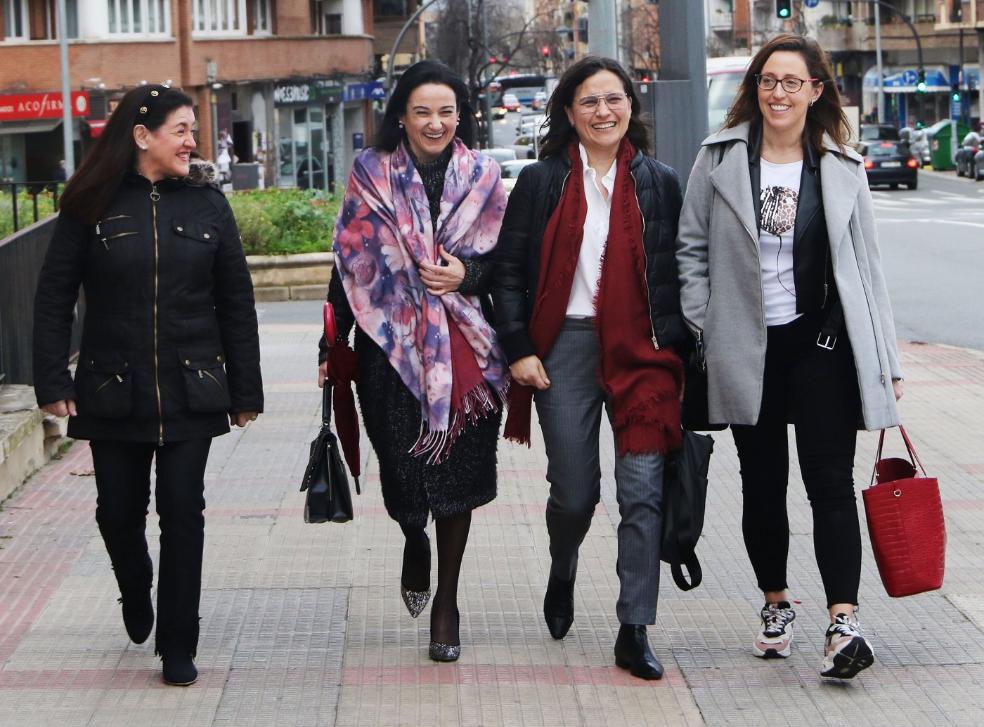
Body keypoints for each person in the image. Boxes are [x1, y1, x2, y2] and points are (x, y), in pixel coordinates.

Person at [676, 34, 904, 679]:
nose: (779, 93)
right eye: (769, 81)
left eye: (792, 82)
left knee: (830, 483)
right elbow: (690, 249)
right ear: (756, 88)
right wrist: (708, 321)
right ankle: (775, 602)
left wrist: (884, 359)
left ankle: (842, 621)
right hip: (745, 345)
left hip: (821, 346)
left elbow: (866, 269)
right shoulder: (719, 159)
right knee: (762, 483)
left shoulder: (840, 165)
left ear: (816, 90)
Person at [32, 84, 263, 686]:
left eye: (193, 129)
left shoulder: (209, 205)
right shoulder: (90, 204)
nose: (193, 141)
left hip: (193, 386)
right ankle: (136, 589)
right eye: (181, 129)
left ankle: (178, 642)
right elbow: (54, 297)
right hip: (113, 387)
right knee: (117, 512)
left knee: (184, 510)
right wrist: (51, 379)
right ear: (143, 136)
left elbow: (236, 302)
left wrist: (246, 391)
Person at [491, 56, 689, 680]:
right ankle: (563, 565)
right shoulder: (541, 181)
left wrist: (680, 348)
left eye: (614, 98)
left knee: (642, 494)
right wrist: (519, 347)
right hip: (565, 347)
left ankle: (635, 627)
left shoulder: (660, 182)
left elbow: (679, 276)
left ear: (631, 105)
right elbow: (509, 272)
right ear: (569, 114)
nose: (604, 111)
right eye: (589, 102)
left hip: (643, 353)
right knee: (575, 493)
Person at [319, 60, 508, 662]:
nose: (435, 122)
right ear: (400, 114)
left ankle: (446, 605)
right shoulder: (369, 174)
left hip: (467, 351)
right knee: (403, 476)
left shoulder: (484, 175)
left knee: (458, 478)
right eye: (422, 111)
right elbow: (348, 263)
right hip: (387, 350)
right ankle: (410, 534)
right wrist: (335, 343)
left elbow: (508, 263)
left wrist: (466, 274)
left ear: (461, 115)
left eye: (447, 111)